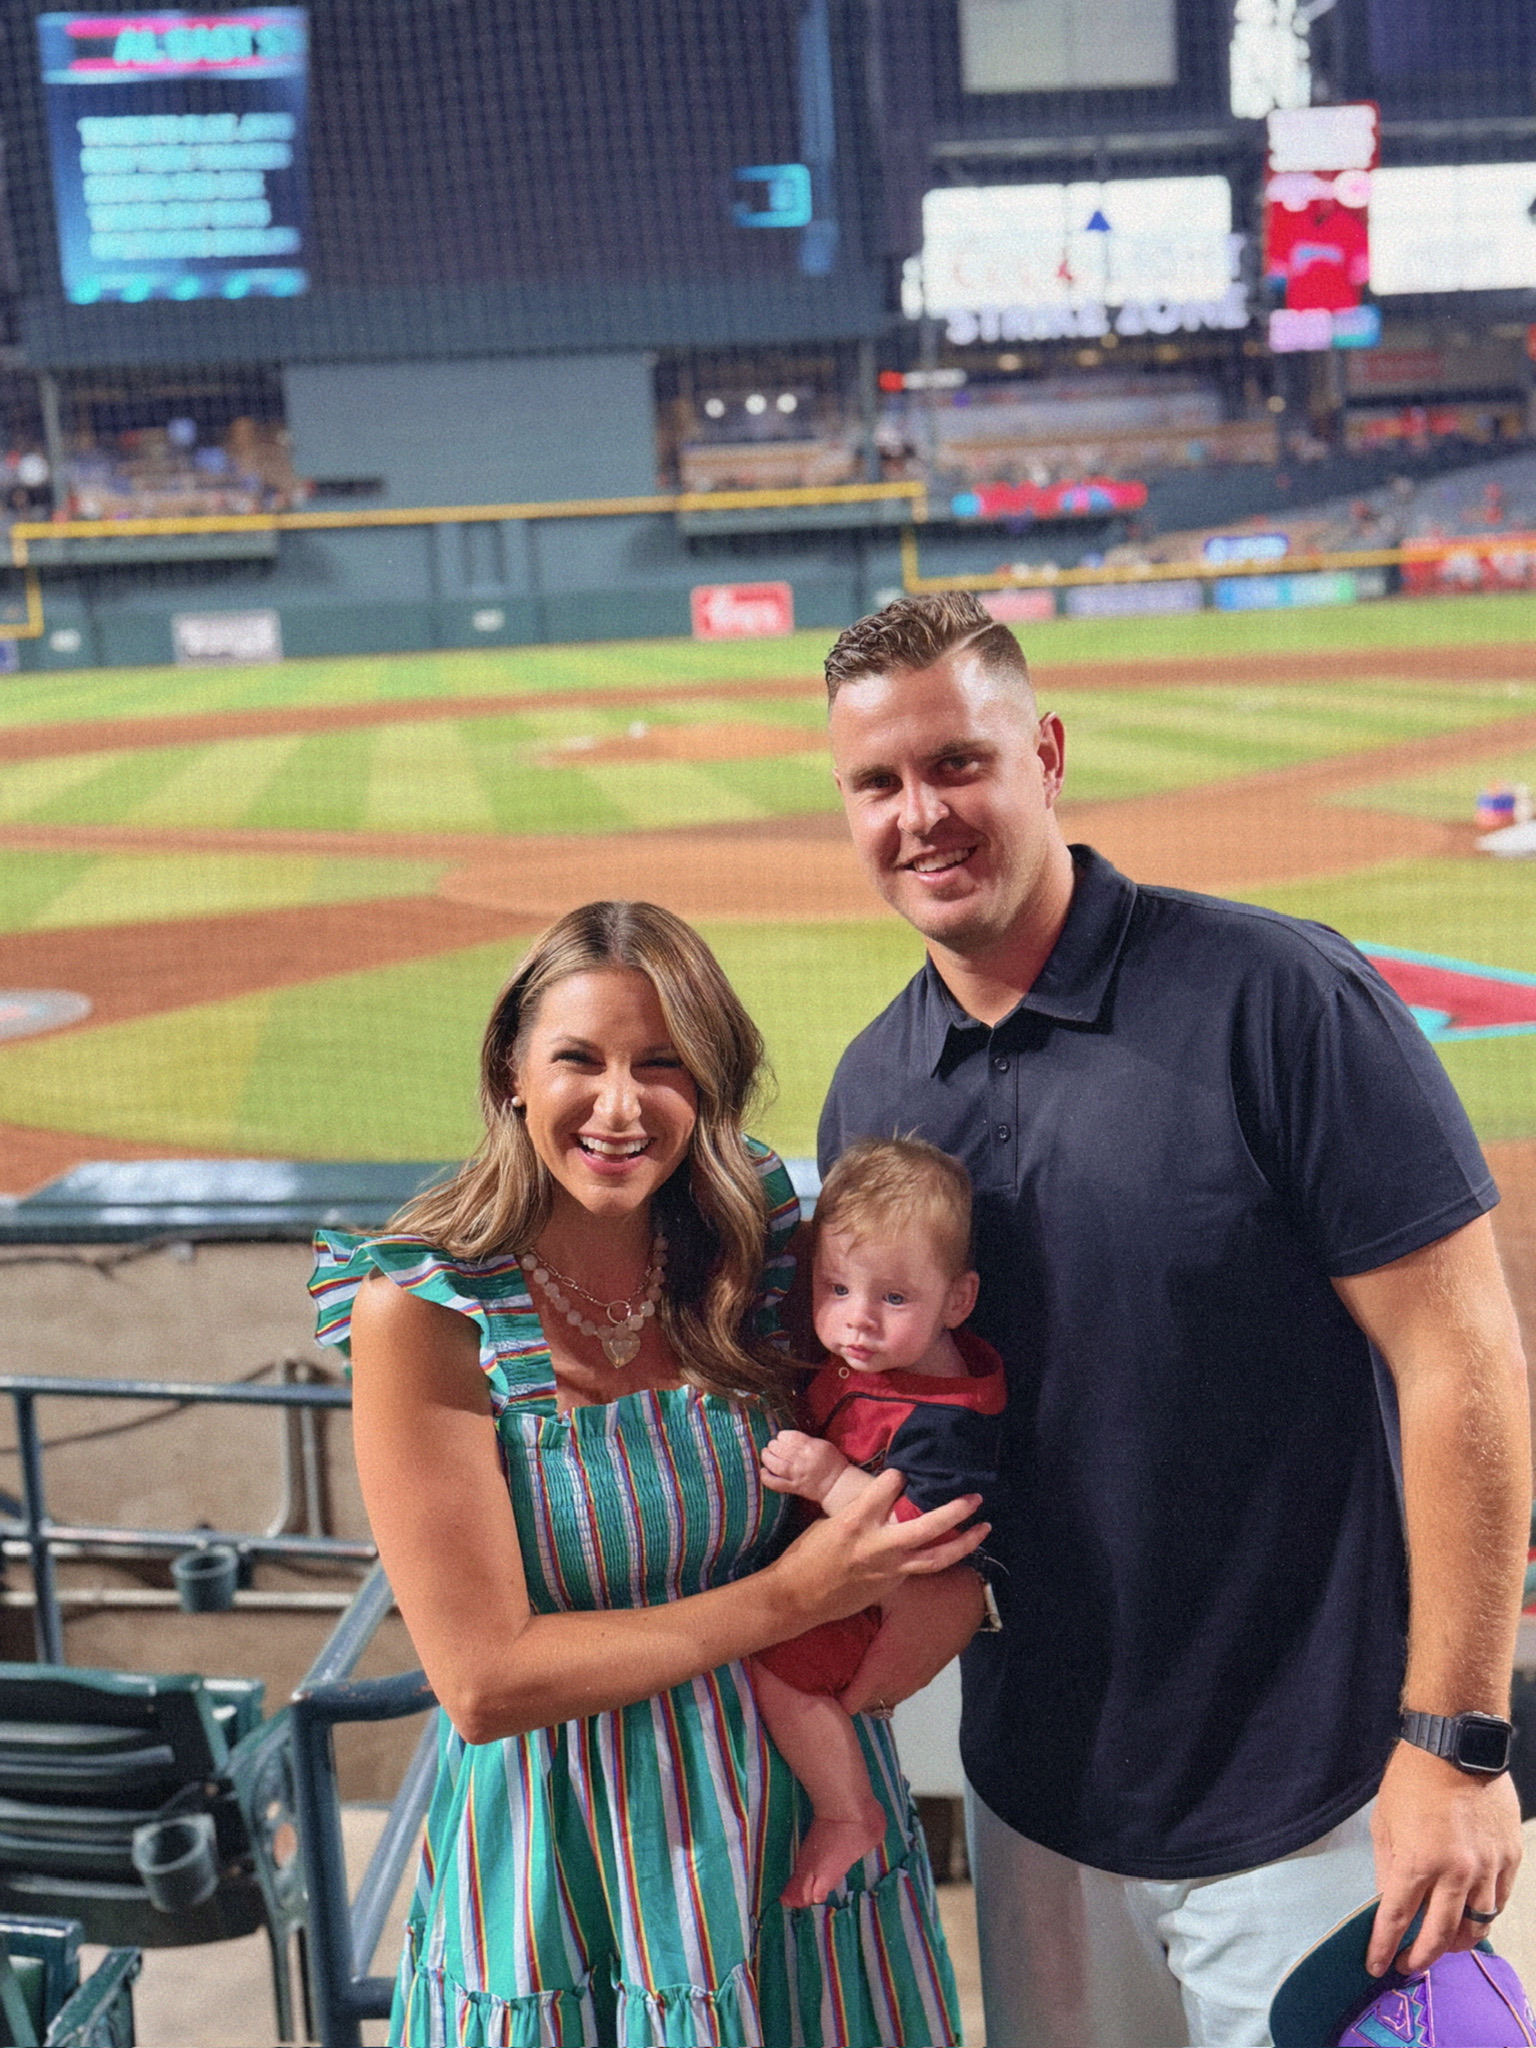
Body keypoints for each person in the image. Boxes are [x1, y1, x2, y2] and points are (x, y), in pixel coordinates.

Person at [815, 593, 1531, 2048]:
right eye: (878, 783)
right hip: (1039, 1800)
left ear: (1047, 754)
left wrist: (1455, 1743)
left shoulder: (1278, 998)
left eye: (958, 762)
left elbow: (1462, 1358)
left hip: (1319, 1799)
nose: (920, 815)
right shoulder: (874, 1087)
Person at [309, 899, 986, 2048]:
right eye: (580, 1058)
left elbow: (922, 1416)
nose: (620, 1106)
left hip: (791, 1823)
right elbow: (483, 1681)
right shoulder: (423, 1308)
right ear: (511, 1071)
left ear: (710, 1083)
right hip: (565, 1862)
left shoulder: (753, 1237)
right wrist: (793, 1598)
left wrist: (940, 1589)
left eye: (661, 1063)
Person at [751, 1136, 1005, 1909]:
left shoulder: (945, 1415)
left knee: (777, 1676)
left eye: (893, 1299)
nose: (857, 1320)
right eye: (836, 1288)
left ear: (957, 1302)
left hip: (863, 1607)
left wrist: (830, 1478)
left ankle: (845, 1810)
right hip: (835, 1581)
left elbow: (924, 1538)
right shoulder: (884, 1359)